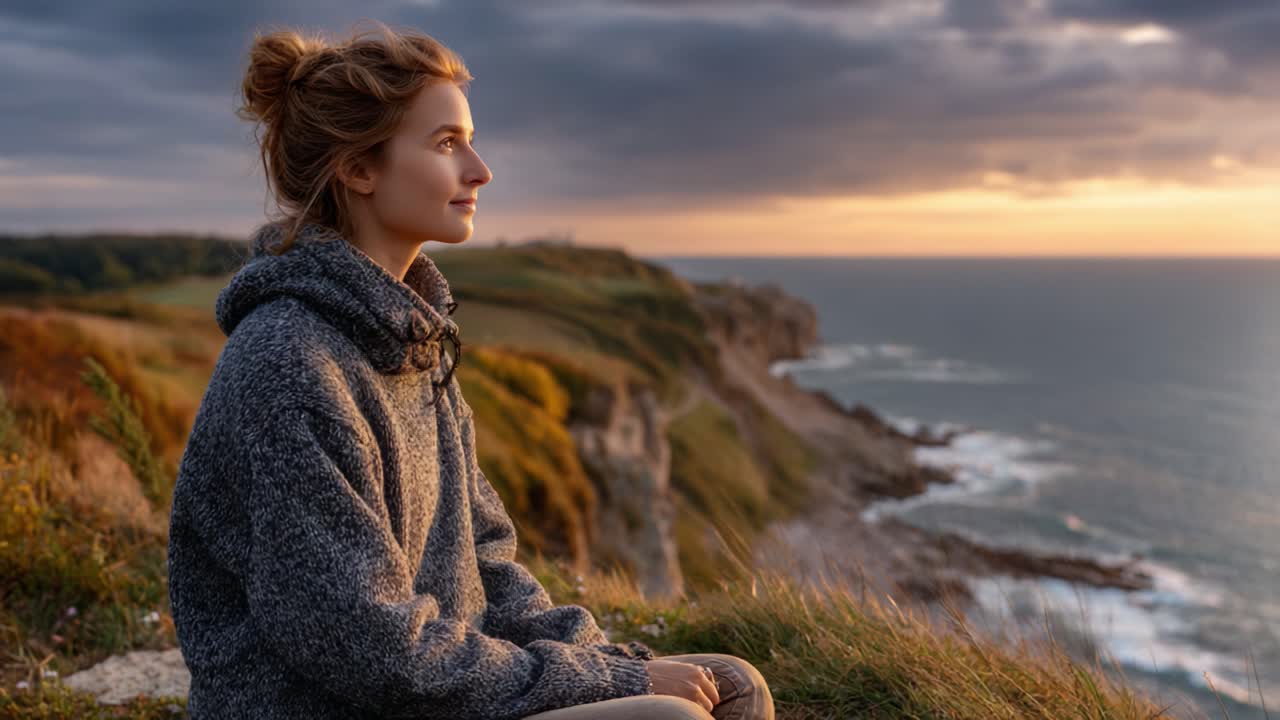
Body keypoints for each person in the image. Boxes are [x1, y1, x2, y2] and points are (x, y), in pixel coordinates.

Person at [166, 19, 773, 720]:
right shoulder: (289, 363)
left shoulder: (413, 340)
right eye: (447, 143)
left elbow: (489, 566)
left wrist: (609, 664)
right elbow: (368, 646)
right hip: (346, 704)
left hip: (437, 685)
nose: (479, 170)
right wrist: (609, 687)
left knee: (733, 683)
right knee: (669, 717)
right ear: (359, 168)